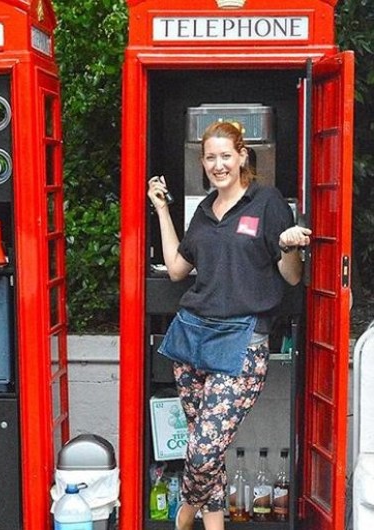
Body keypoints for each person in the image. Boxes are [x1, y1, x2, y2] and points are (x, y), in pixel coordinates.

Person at [147, 121, 311, 530]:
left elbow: (290, 277)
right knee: (210, 451)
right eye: (210, 158)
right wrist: (162, 209)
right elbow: (176, 269)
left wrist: (289, 246)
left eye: (225, 156)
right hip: (191, 339)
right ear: (202, 163)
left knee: (202, 450)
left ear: (242, 157)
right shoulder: (204, 210)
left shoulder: (267, 202)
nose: (218, 165)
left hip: (242, 341)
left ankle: (185, 514)